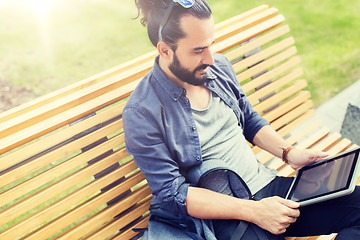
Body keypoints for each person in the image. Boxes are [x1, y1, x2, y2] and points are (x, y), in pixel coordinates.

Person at [123, 0, 360, 239]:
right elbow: (173, 192)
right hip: (228, 218)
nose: (210, 59)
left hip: (270, 189)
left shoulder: (219, 69)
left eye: (210, 46)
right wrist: (255, 211)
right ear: (165, 50)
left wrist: (289, 153)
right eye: (197, 50)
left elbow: (247, 119)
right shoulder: (142, 112)